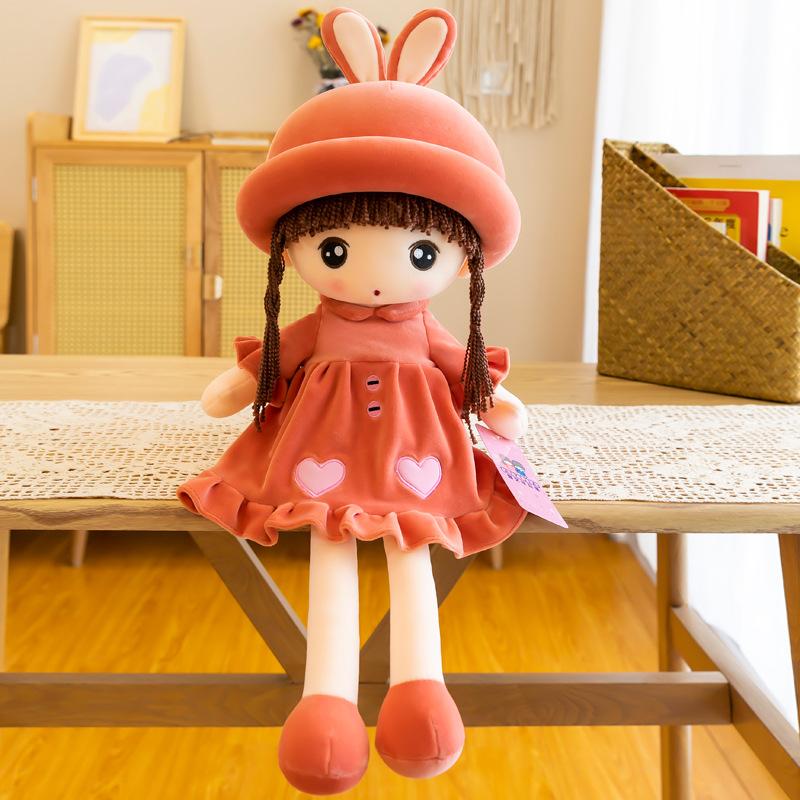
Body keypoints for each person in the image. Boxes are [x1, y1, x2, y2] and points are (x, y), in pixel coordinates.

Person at [178, 8, 527, 795]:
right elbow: (270, 365)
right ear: (296, 244)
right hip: (321, 452)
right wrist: (237, 387)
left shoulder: (429, 330)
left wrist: (498, 405)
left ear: (458, 256)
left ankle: (420, 691)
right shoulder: (316, 326)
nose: (371, 276)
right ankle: (325, 702)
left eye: (420, 249)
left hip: (415, 454)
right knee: (328, 544)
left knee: (409, 545)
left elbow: (466, 370)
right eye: (334, 248)